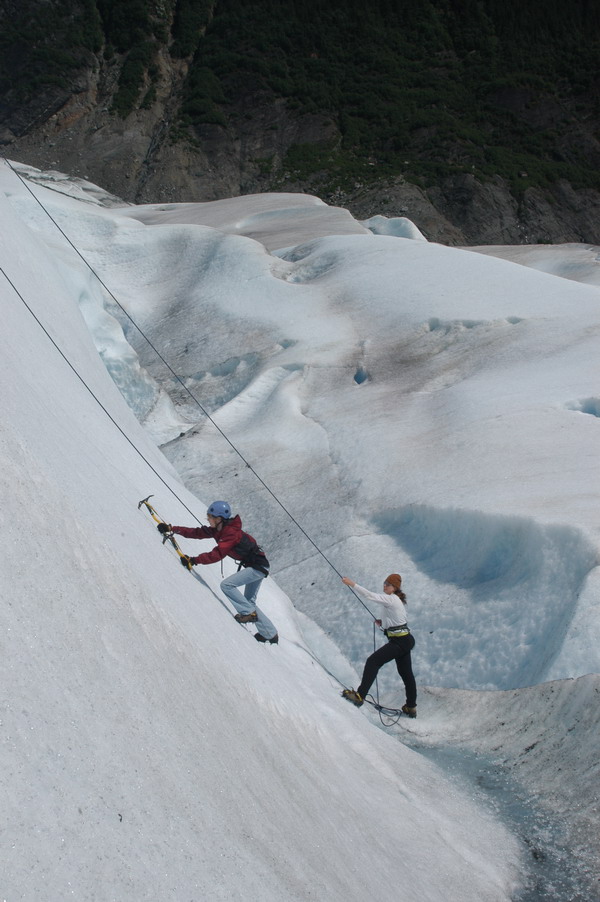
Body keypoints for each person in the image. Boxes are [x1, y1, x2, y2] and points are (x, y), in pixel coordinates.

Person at [158, 501, 278, 644]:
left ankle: (248, 613)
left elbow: (217, 554)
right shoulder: (218, 529)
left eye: (210, 517)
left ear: (218, 518)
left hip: (258, 567)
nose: (207, 519)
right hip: (258, 566)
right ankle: (270, 633)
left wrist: (194, 560)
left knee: (227, 585)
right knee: (248, 602)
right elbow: (196, 533)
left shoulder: (230, 533)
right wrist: (172, 528)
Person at [340, 573, 417, 717]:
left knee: (373, 661)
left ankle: (359, 696)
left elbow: (369, 595)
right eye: (385, 582)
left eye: (388, 584)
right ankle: (411, 707)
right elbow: (397, 619)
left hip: (399, 642)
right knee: (406, 675)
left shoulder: (391, 599)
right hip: (405, 640)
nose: (385, 585)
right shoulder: (394, 600)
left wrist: (352, 583)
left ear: (394, 588)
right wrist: (384, 623)